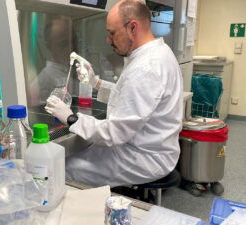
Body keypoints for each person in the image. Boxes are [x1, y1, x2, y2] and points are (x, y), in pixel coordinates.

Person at [45, 0, 183, 187]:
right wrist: (96, 83)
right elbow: (132, 97)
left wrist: (71, 119)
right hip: (146, 146)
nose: (108, 40)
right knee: (75, 156)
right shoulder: (157, 52)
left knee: (64, 168)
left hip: (144, 158)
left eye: (112, 33)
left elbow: (114, 133)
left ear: (132, 27)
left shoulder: (146, 68)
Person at [29, 19, 77, 106]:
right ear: (49, 46)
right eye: (64, 43)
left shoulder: (74, 70)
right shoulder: (43, 80)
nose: (72, 48)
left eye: (74, 41)